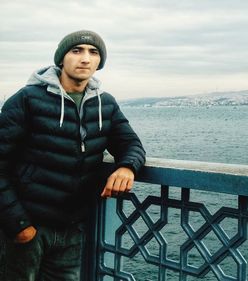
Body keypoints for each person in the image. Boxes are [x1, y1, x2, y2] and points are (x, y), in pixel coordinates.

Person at [0, 30, 146, 280]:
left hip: (72, 229)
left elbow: (130, 143)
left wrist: (127, 167)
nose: (85, 58)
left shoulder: (105, 104)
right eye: (76, 51)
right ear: (61, 59)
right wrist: (19, 225)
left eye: (94, 52)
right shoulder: (27, 99)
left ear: (100, 62)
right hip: (27, 226)